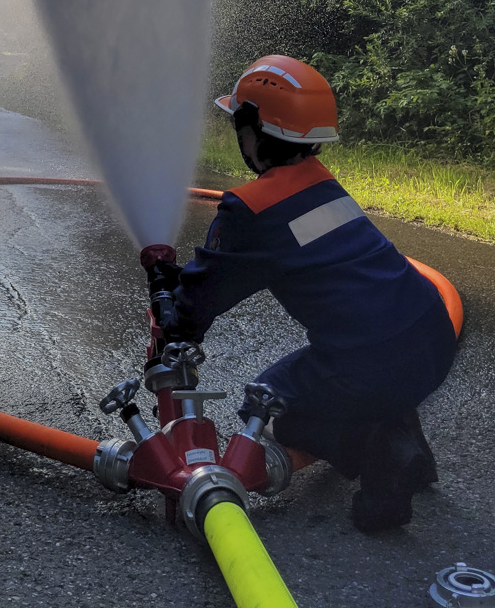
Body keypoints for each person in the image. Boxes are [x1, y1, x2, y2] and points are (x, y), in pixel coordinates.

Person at [160, 55, 458, 533]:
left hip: (374, 365)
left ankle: (381, 453)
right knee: (378, 368)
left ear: (252, 127)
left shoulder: (250, 209)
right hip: (431, 338)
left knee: (270, 401)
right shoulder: (324, 183)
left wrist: (171, 321)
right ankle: (405, 444)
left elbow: (201, 300)